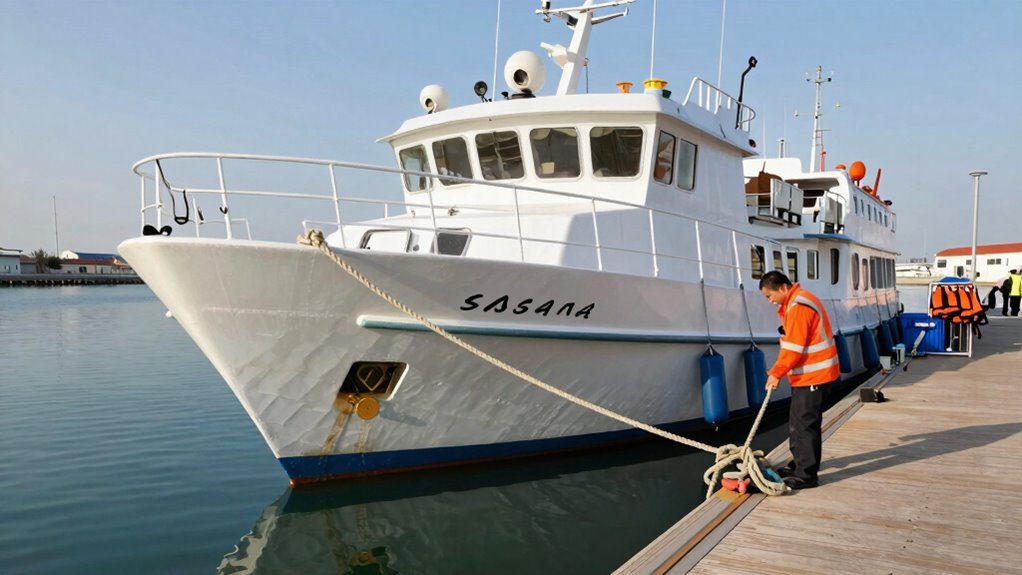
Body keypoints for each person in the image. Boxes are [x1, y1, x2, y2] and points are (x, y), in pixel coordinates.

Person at [760, 271, 840, 490]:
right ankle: (799, 463)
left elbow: (794, 348)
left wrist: (775, 373)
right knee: (797, 422)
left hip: (814, 375)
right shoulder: (797, 302)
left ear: (783, 288)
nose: (770, 301)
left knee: (805, 425)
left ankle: (806, 475)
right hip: (806, 376)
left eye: (770, 296)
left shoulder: (799, 307)